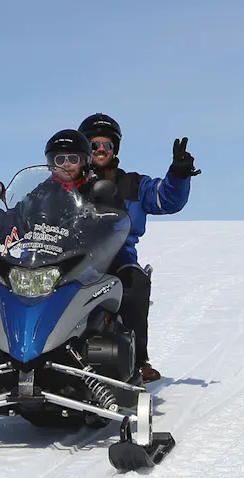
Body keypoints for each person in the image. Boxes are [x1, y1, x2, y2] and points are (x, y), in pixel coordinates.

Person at [77, 113, 199, 383]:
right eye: (94, 143)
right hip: (72, 256)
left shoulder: (132, 184)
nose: (100, 149)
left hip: (116, 257)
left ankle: (138, 359)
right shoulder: (70, 183)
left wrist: (177, 176)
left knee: (134, 283)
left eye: (106, 145)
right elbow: (39, 204)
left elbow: (165, 198)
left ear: (114, 150)